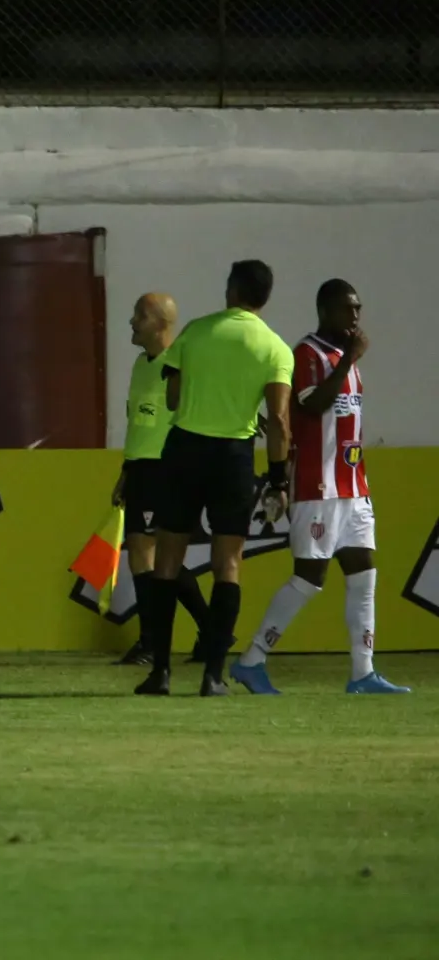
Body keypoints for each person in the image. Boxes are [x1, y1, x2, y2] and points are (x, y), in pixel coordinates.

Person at [230, 281, 409, 695]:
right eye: (349, 309)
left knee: (364, 575)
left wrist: (348, 361)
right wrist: (348, 360)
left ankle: (363, 673)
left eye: (359, 309)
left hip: (353, 486)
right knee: (310, 578)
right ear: (325, 311)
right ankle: (251, 659)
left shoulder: (346, 359)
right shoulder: (306, 354)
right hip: (316, 485)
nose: (356, 318)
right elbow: (312, 405)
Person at [136, 260, 294, 698]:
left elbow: (172, 397)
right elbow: (279, 420)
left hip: (185, 449)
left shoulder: (195, 331)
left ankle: (160, 673)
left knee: (167, 560)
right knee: (228, 564)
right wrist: (280, 479)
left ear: (231, 290)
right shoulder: (276, 348)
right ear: (265, 296)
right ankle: (213, 676)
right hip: (233, 458)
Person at [110, 294, 211, 666]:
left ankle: (157, 641)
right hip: (139, 469)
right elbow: (139, 422)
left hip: (164, 468)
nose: (132, 322)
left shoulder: (179, 365)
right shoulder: (141, 365)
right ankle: (187, 632)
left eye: (140, 315)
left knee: (151, 554)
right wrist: (125, 470)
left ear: (160, 323)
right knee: (143, 555)